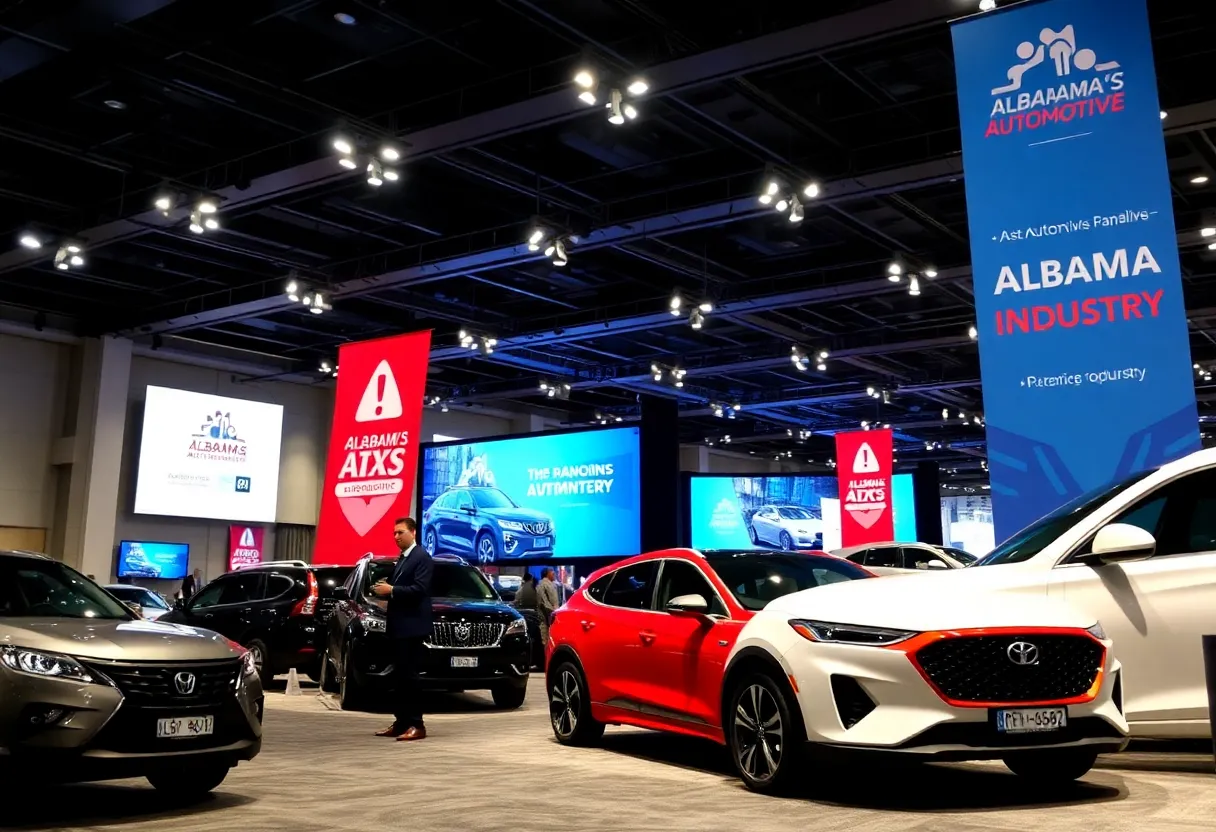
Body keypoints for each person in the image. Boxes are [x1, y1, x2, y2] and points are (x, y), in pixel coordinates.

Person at [371, 517, 433, 742]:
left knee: (411, 677)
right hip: (399, 628)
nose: (396, 537)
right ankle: (401, 722)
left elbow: (419, 589)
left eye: (401, 532)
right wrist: (385, 588)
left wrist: (392, 589)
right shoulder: (403, 558)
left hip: (413, 628)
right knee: (400, 678)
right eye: (394, 533)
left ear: (413, 532)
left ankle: (417, 724)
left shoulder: (421, 557)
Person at [537, 568, 561, 662]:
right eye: (552, 573)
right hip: (546, 618)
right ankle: (548, 662)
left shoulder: (552, 585)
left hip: (552, 617)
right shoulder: (542, 585)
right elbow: (544, 603)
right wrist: (553, 613)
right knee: (546, 641)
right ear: (547, 574)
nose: (554, 574)